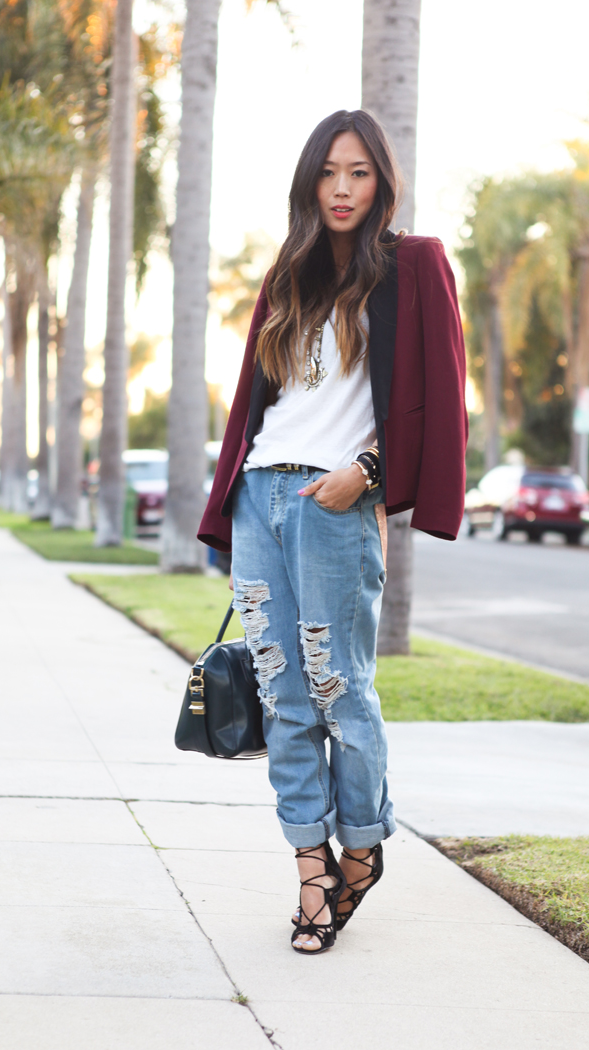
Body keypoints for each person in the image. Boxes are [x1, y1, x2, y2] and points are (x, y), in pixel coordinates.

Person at [198, 110, 467, 955]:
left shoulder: (414, 266)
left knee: (340, 690)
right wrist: (236, 493)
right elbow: (256, 402)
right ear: (309, 183)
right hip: (260, 499)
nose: (343, 188)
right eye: (329, 173)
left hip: (335, 502)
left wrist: (370, 471)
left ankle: (362, 844)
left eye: (358, 173)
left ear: (382, 182)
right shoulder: (290, 275)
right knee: (281, 696)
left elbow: (443, 392)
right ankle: (312, 867)